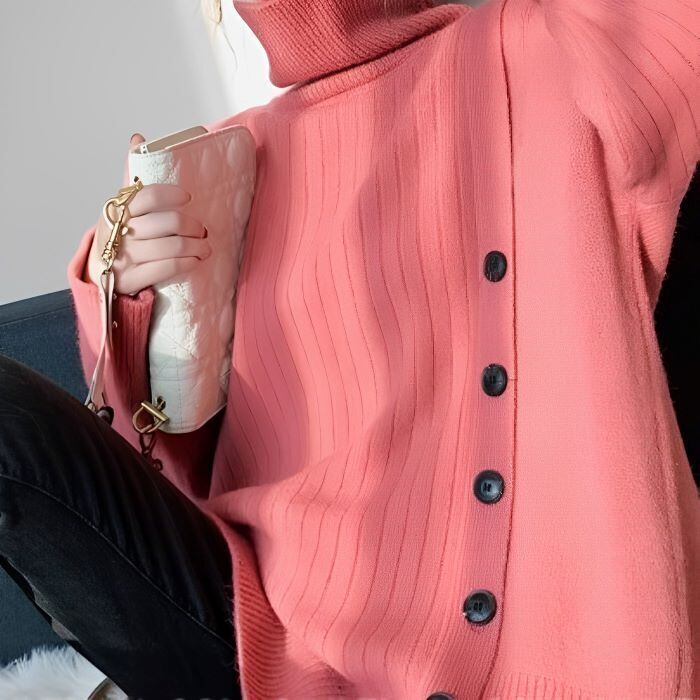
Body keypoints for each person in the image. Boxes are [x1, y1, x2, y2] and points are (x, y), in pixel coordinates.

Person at [1, 0, 698, 698]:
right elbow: (155, 477)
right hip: (258, 641)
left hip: (555, 658)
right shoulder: (218, 169)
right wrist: (121, 296)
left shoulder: (563, 55)